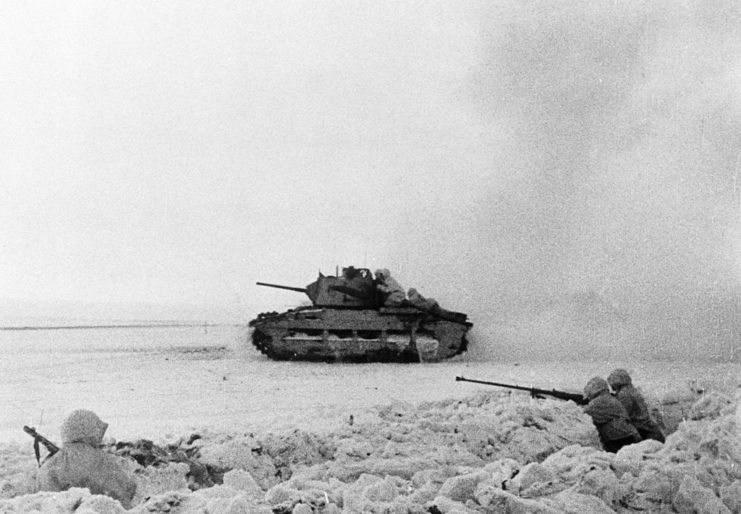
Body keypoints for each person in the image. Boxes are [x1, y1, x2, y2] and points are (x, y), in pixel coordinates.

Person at [36, 409, 137, 508]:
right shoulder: (104, 461)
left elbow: (42, 500)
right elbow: (126, 488)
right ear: (91, 431)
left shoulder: (50, 465)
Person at [582, 377, 641, 453]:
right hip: (627, 434)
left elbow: (583, 414)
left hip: (620, 437)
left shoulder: (599, 401)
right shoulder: (609, 398)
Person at [607, 369, 665, 443]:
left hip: (645, 434)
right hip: (651, 432)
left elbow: (621, 414)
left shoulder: (624, 393)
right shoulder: (631, 390)